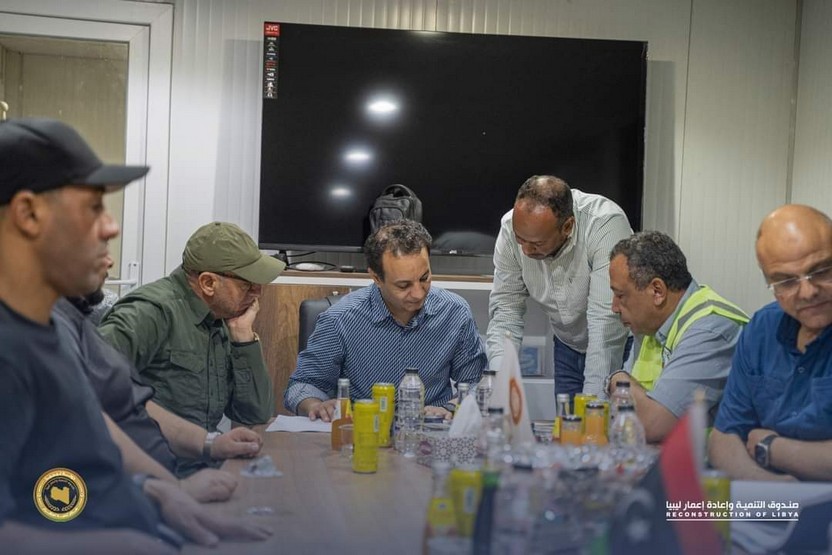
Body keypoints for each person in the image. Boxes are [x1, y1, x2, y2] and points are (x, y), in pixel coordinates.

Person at [0, 118, 270, 552]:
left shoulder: (51, 324)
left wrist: (158, 491)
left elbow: (85, 440)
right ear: (28, 214)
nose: (111, 228)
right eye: (93, 208)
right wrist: (118, 543)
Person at [54, 256, 264, 495]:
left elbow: (123, 401)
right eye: (95, 243)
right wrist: (171, 489)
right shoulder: (151, 311)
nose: (110, 260)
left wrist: (211, 444)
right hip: (130, 489)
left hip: (170, 477)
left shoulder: (65, 319)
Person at [285, 219, 487, 421]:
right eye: (403, 285)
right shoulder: (340, 319)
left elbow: (475, 383)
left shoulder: (455, 312)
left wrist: (449, 408)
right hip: (362, 429)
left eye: (424, 278)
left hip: (431, 429)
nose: (418, 293)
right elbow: (303, 385)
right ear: (376, 278)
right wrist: (316, 405)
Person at [99, 221, 285, 432]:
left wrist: (243, 338)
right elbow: (87, 382)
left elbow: (255, 414)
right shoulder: (150, 312)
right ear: (208, 283)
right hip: (149, 449)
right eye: (247, 284)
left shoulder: (222, 316)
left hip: (202, 447)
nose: (257, 293)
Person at [709, 205, 832, 481]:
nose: (808, 292)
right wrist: (775, 491)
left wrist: (773, 448)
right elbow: (724, 438)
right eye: (786, 281)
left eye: (821, 271)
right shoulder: (762, 329)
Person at [487, 175, 632, 398]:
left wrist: (592, 406)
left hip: (617, 344)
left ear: (567, 226)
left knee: (601, 416)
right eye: (520, 239)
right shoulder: (509, 227)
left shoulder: (604, 223)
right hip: (567, 345)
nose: (525, 250)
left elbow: (605, 323)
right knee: (566, 419)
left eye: (537, 243)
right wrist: (500, 383)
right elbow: (506, 310)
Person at [605, 231, 748, 442]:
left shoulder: (710, 330)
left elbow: (653, 424)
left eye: (621, 295)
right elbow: (620, 416)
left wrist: (616, 379)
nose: (614, 307)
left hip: (710, 461)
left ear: (657, 291)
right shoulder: (651, 325)